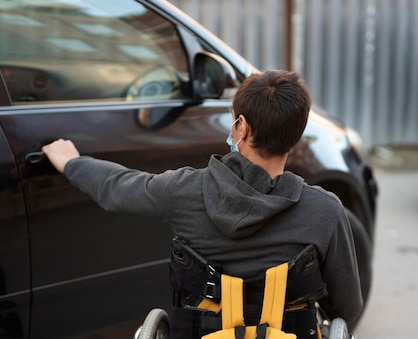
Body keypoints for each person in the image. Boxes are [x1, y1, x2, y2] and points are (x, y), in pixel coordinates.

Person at [42, 69, 362, 325]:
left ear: (241, 127)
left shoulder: (182, 191)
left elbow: (118, 187)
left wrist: (73, 163)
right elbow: (347, 307)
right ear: (297, 133)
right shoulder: (324, 211)